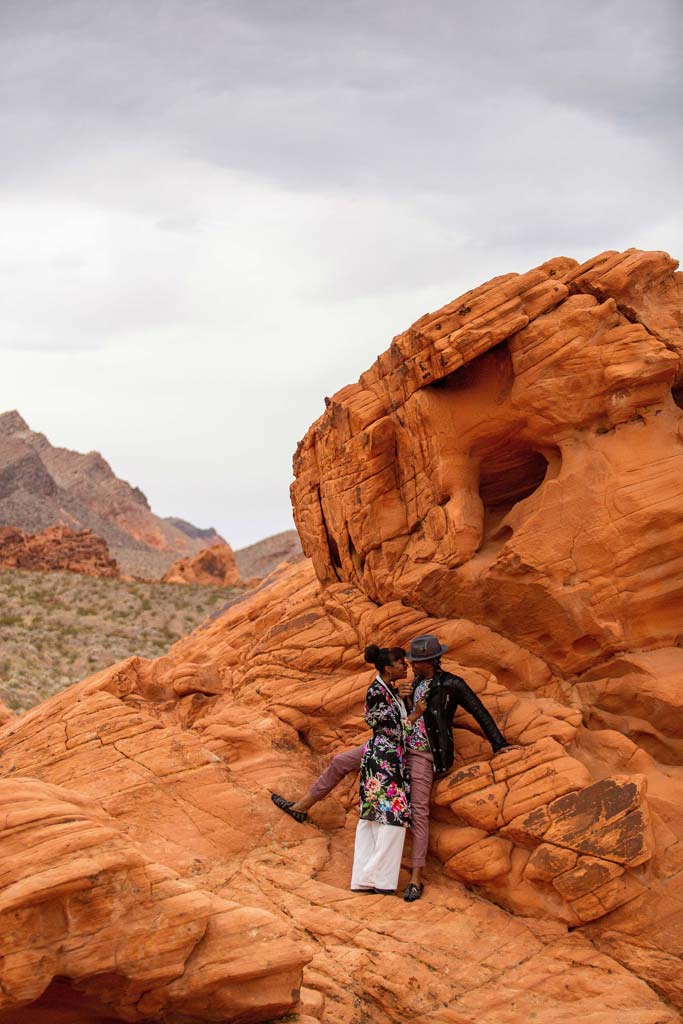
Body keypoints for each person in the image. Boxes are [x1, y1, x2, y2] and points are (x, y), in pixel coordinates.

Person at [271, 633, 514, 901]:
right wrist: (405, 700)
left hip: (421, 753)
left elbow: (479, 711)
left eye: (415, 660)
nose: (409, 663)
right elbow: (399, 715)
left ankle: (416, 879)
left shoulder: (451, 684)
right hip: (391, 747)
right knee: (341, 761)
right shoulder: (414, 682)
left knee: (419, 812)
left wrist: (498, 744)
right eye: (407, 661)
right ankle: (301, 807)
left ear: (430, 661)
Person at [350, 643, 427, 894]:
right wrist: (415, 715)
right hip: (384, 757)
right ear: (387, 669)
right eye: (400, 664)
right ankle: (377, 879)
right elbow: (390, 729)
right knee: (393, 817)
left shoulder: (385, 689)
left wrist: (401, 696)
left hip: (385, 758)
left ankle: (365, 880)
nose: (405, 666)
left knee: (374, 818)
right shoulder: (377, 692)